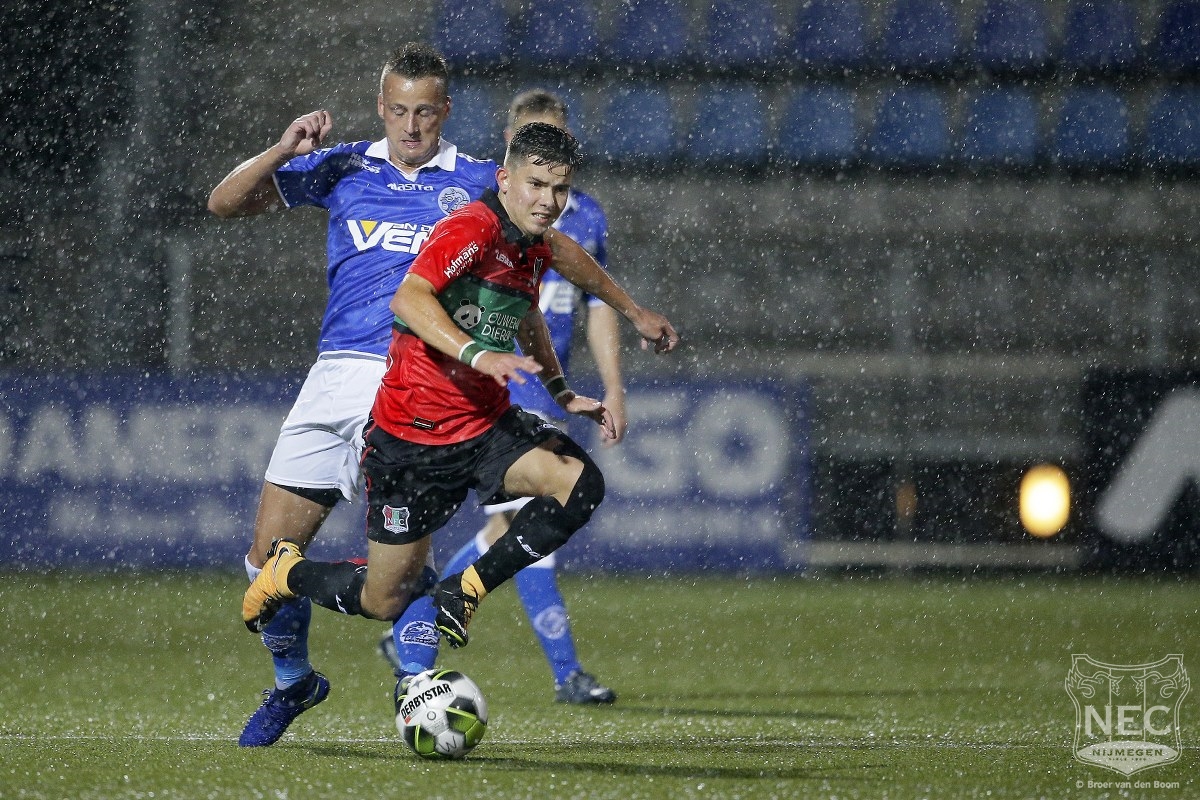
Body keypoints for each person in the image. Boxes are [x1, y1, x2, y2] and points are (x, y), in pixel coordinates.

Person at [207, 43, 623, 748]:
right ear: (380, 108)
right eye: (398, 111)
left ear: (445, 113)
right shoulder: (345, 165)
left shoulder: (475, 183)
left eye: (424, 113)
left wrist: (596, 333)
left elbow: (547, 251)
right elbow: (223, 203)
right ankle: (294, 683)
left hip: (418, 377)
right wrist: (283, 149)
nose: (410, 126)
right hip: (333, 374)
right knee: (262, 554)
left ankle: (417, 681)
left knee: (406, 558)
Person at [377, 89, 623, 704]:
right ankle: (564, 671)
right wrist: (480, 354)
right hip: (486, 386)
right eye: (534, 172)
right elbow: (414, 295)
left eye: (558, 175)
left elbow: (577, 303)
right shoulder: (486, 217)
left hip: (533, 378)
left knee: (516, 527)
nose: (547, 193)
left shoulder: (578, 219)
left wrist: (595, 384)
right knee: (520, 527)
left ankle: (419, 624)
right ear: (509, 160)